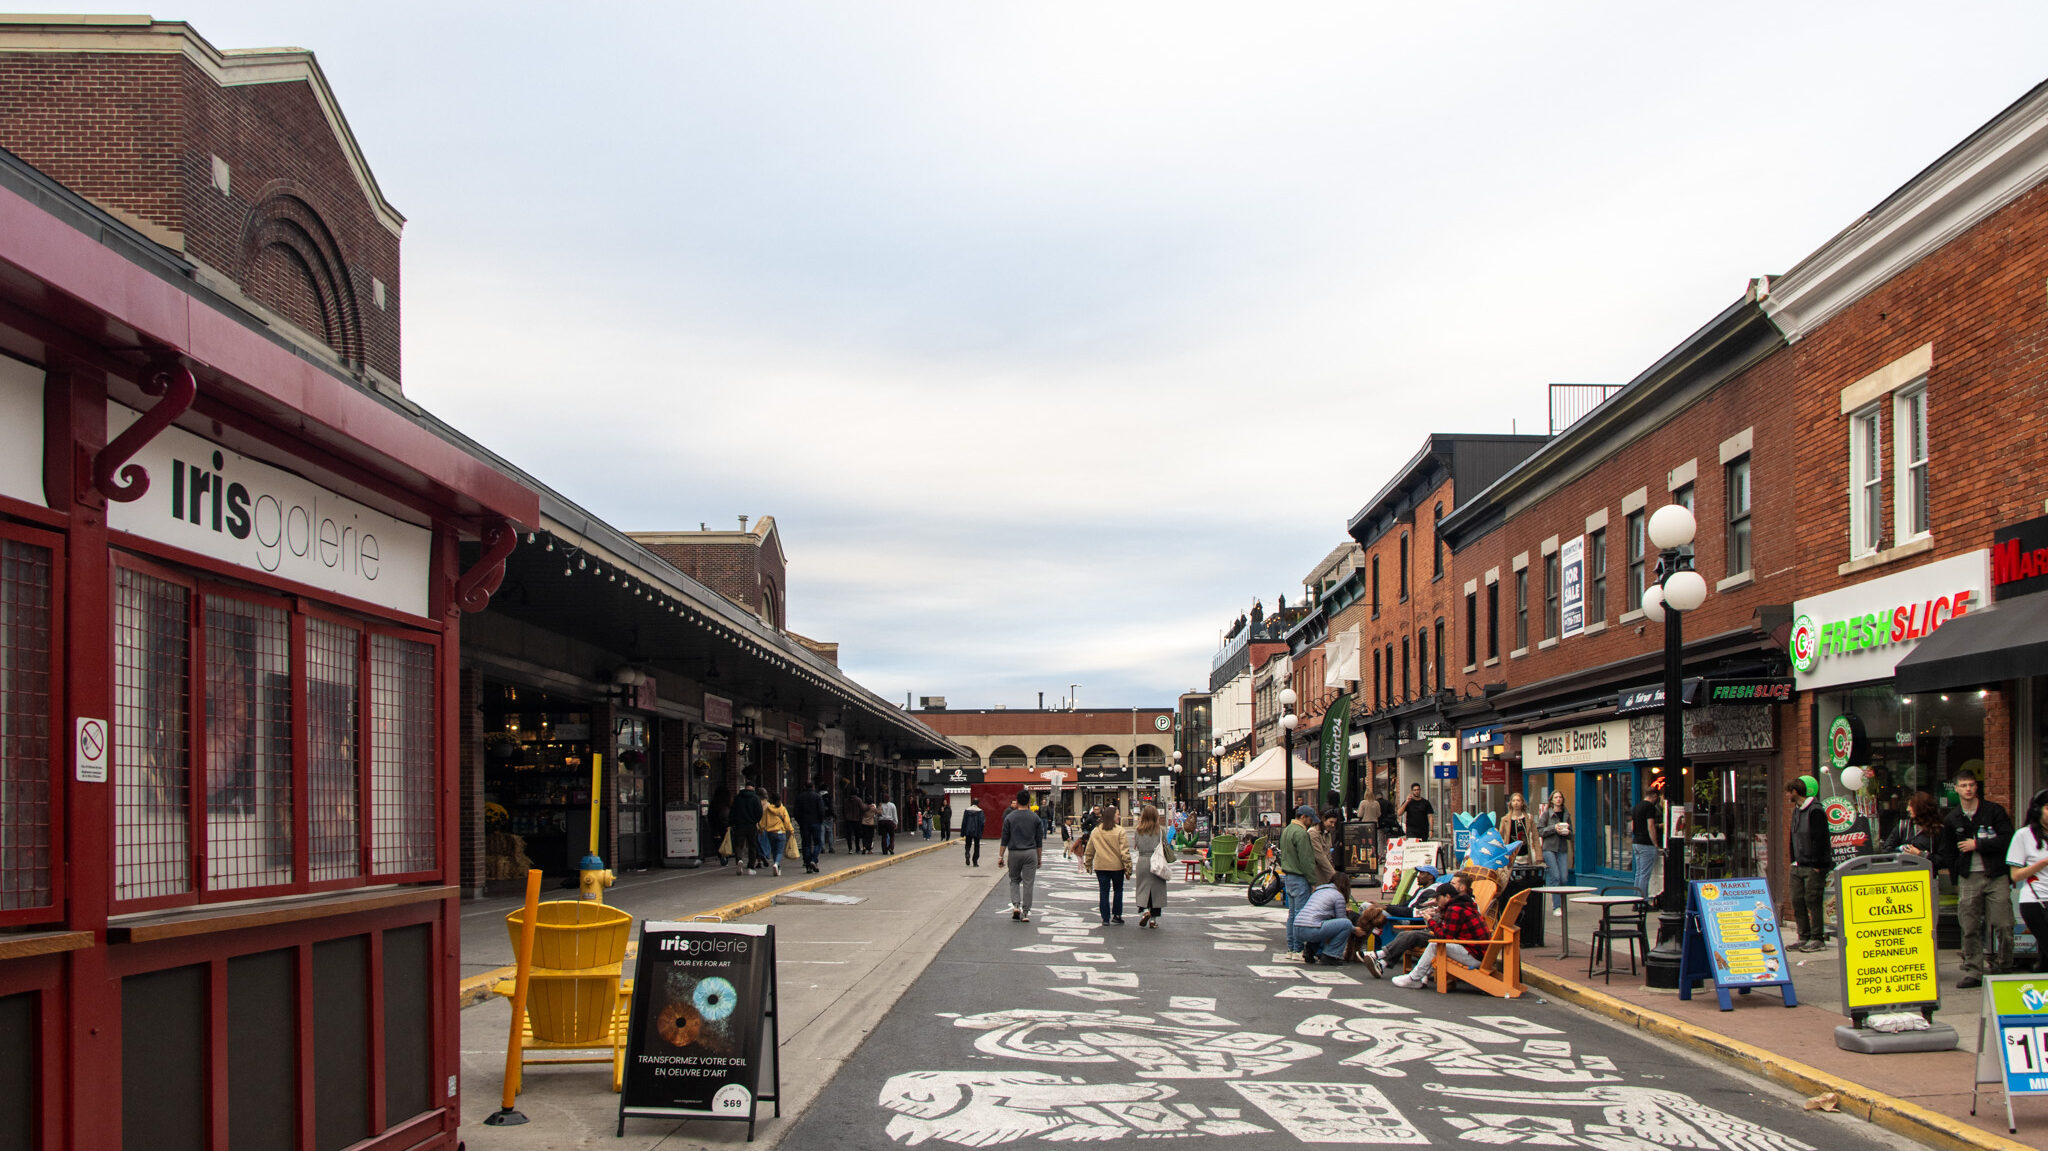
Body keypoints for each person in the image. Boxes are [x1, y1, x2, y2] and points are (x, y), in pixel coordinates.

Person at [1945, 764, 2015, 987]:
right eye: (1963, 785)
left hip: (1996, 874)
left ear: (1977, 787)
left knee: (2003, 923)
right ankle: (1974, 969)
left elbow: (2007, 839)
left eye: (1972, 785)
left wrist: (1979, 844)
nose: (1968, 789)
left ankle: (2004, 964)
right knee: (1969, 925)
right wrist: (1955, 878)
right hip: (1969, 876)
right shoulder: (1953, 818)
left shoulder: (1993, 811)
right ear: (1955, 789)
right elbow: (1948, 850)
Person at [1390, 871, 1493, 988]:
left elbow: (1443, 937)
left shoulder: (1454, 909)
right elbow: (1450, 932)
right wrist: (1440, 910)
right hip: (1479, 951)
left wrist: (1430, 920)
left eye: (1438, 898)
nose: (1436, 901)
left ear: (1447, 897)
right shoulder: (1463, 904)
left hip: (1474, 955)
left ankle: (1413, 978)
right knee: (1437, 945)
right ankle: (1422, 976)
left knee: (1435, 945)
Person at [1296, 872, 1380, 967]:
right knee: (1345, 924)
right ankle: (1330, 955)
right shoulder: (1338, 895)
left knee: (1323, 923)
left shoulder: (1319, 891)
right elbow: (1342, 920)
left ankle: (1310, 951)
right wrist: (1355, 930)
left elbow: (1319, 911)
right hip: (1312, 929)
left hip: (1298, 928)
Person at [2005, 789, 2048, 973]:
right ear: (2038, 810)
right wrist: (2043, 863)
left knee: (2045, 956)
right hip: (2035, 900)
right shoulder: (2023, 835)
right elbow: (2015, 875)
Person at [1786, 776, 1829, 952]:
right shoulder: (1796, 810)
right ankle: (1803, 936)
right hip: (1798, 863)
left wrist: (1818, 863)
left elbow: (1821, 838)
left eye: (1789, 792)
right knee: (1797, 899)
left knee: (1813, 899)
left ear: (1795, 792)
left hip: (1813, 864)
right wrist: (1793, 859)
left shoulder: (1816, 810)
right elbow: (1793, 835)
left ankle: (1817, 937)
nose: (1787, 795)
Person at [997, 790, 1044, 922]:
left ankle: (1016, 906)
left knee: (1014, 880)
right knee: (1029, 883)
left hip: (1014, 852)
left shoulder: (1010, 817)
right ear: (1029, 802)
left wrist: (1000, 856)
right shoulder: (1035, 818)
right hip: (1030, 852)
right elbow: (1039, 841)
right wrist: (1039, 858)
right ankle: (1026, 912)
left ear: (1016, 802)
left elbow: (1004, 838)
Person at [1279, 805, 1318, 957]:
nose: (1310, 822)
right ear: (1303, 817)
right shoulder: (1301, 833)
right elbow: (1306, 860)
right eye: (1309, 819)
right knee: (1300, 915)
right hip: (1300, 877)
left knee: (1292, 914)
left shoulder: (1287, 830)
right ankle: (1298, 948)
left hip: (1289, 876)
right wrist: (1313, 880)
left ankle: (1291, 947)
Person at [1129, 804, 1176, 928]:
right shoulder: (1160, 831)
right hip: (1157, 861)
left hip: (1143, 861)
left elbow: (1137, 845)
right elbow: (1166, 845)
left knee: (1142, 889)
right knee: (1157, 892)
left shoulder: (1138, 830)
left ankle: (1144, 911)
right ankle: (1153, 920)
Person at [1085, 804, 1132, 925]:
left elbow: (1090, 849)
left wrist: (1088, 863)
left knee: (1104, 891)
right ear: (1112, 816)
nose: (1119, 816)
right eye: (1117, 814)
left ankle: (1105, 918)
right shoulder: (1120, 831)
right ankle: (1117, 914)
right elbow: (1124, 851)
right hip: (1117, 866)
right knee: (1118, 890)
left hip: (1101, 865)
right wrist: (1128, 867)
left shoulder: (1096, 831)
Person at [1885, 791, 1955, 873]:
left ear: (1921, 807)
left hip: (1927, 877)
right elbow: (1887, 850)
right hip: (1904, 876)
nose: (1908, 809)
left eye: (1911, 806)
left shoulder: (1938, 830)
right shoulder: (1903, 826)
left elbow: (1945, 860)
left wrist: (1920, 854)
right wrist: (1903, 854)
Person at [1629, 777, 1663, 902]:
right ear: (1654, 796)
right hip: (1646, 843)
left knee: (1638, 873)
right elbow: (1650, 826)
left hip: (1636, 842)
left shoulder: (1636, 807)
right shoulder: (1650, 807)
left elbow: (1633, 825)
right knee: (1645, 874)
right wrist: (1655, 844)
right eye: (1657, 798)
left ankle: (1636, 899)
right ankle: (1643, 901)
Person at [1539, 791, 1573, 915]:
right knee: (1555, 876)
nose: (1558, 799)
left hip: (1562, 848)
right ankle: (1556, 906)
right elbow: (1540, 831)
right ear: (1552, 800)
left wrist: (1567, 832)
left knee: (1564, 878)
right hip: (1549, 848)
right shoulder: (1547, 814)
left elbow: (1571, 834)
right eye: (1556, 797)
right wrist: (1554, 828)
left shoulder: (1566, 814)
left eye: (1560, 797)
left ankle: (1562, 903)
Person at [729, 780, 764, 876]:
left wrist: (732, 823)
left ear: (745, 787)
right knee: (752, 846)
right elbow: (760, 812)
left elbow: (732, 811)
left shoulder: (737, 798)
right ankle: (751, 867)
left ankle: (739, 859)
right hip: (751, 825)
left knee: (738, 845)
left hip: (739, 825)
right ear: (753, 788)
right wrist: (756, 820)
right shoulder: (756, 798)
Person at [794, 780, 828, 874]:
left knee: (806, 844)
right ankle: (814, 860)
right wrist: (820, 821)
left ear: (805, 787)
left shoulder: (800, 797)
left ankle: (808, 864)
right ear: (813, 787)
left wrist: (800, 821)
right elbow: (821, 811)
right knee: (818, 843)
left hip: (804, 823)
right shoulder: (817, 797)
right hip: (816, 823)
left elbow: (796, 812)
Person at [758, 791, 793, 878]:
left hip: (770, 833)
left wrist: (761, 829)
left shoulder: (767, 809)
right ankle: (777, 864)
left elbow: (763, 822)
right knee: (780, 851)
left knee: (774, 851)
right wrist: (791, 830)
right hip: (780, 832)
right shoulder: (783, 809)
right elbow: (787, 822)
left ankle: (777, 867)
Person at [1499, 792, 1534, 864]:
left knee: (1526, 874)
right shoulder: (1505, 819)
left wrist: (1539, 857)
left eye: (1518, 800)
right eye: (1513, 800)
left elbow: (1535, 837)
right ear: (1510, 803)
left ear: (1522, 803)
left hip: (1526, 855)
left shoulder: (1529, 818)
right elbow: (1500, 837)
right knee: (1514, 874)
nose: (1516, 803)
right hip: (1511, 855)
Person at [1308, 808, 1341, 886]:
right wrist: (1333, 874)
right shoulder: (1313, 833)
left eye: (1334, 823)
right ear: (1323, 820)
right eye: (1331, 822)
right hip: (1317, 873)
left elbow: (1328, 853)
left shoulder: (1327, 833)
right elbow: (1320, 856)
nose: (1333, 825)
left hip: (1326, 873)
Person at [1357, 791, 1384, 867]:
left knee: (1365, 841)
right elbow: (1379, 814)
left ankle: (1365, 856)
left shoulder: (1363, 803)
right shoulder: (1376, 803)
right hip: (1374, 824)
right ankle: (1374, 855)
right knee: (1374, 841)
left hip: (1365, 824)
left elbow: (1360, 814)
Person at [708, 784, 731, 867]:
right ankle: (725, 857)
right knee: (726, 843)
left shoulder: (714, 803)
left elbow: (710, 816)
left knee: (718, 842)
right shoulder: (728, 804)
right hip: (726, 826)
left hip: (715, 826)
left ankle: (721, 856)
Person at [960, 798, 985, 866]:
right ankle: (975, 862)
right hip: (976, 831)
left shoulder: (967, 810)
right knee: (976, 846)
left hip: (968, 830)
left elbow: (964, 822)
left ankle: (967, 853)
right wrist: (981, 832)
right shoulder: (980, 811)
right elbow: (982, 822)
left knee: (968, 844)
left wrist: (962, 832)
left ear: (972, 802)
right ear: (978, 803)